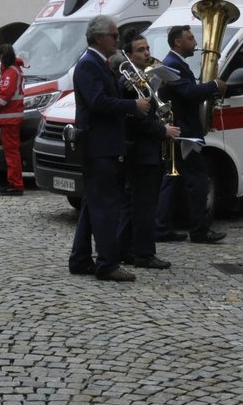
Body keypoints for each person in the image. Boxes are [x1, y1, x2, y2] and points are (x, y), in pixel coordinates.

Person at [68, 14, 144, 282]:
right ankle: (108, 263)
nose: (117, 40)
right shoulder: (89, 64)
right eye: (113, 35)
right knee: (105, 208)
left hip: (104, 144)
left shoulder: (100, 64)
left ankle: (80, 259)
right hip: (99, 145)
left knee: (93, 205)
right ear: (99, 38)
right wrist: (133, 105)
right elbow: (99, 102)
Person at [155, 25, 227, 245]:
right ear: (178, 42)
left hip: (181, 131)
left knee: (173, 180)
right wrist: (214, 85)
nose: (195, 42)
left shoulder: (175, 63)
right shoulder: (173, 65)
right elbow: (188, 93)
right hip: (184, 133)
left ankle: (161, 228)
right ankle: (199, 231)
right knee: (198, 181)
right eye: (190, 38)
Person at [117, 30, 181, 269]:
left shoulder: (141, 79)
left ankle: (125, 248)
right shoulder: (130, 81)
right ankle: (144, 253)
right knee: (145, 205)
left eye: (147, 48)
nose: (147, 53)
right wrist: (163, 131)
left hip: (143, 149)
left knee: (134, 203)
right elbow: (137, 119)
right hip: (141, 151)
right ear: (130, 55)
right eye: (140, 50)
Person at [0, 42, 26, 195]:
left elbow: (4, 96)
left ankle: (16, 184)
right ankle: (14, 182)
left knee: (12, 153)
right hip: (11, 118)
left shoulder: (10, 72)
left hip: (10, 118)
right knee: (12, 152)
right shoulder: (13, 70)